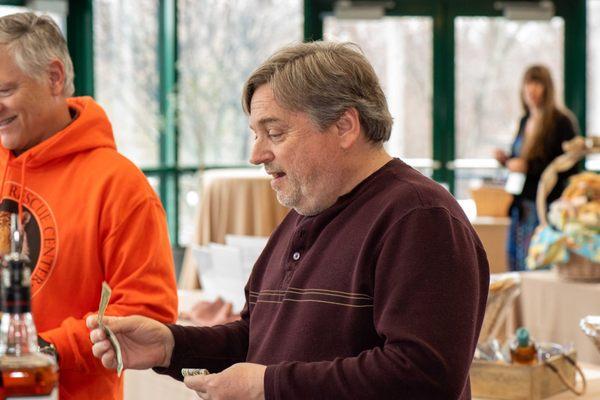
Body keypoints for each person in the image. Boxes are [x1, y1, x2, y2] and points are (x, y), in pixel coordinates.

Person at [89, 41, 489, 399]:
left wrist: (269, 386)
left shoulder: (420, 218)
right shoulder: (307, 210)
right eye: (255, 134)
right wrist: (171, 346)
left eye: (275, 133)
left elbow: (423, 377)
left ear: (344, 126)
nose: (257, 154)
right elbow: (256, 338)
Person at [0, 12, 178, 399]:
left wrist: (42, 352)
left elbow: (149, 312)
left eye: (5, 91)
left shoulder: (120, 186)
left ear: (54, 78)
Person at [494, 65, 579, 271]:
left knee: (538, 266)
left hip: (544, 207)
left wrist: (529, 167)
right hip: (520, 205)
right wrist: (506, 161)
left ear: (546, 88)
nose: (532, 90)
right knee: (516, 265)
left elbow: (568, 166)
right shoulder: (525, 120)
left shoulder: (562, 122)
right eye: (528, 84)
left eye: (537, 84)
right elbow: (520, 160)